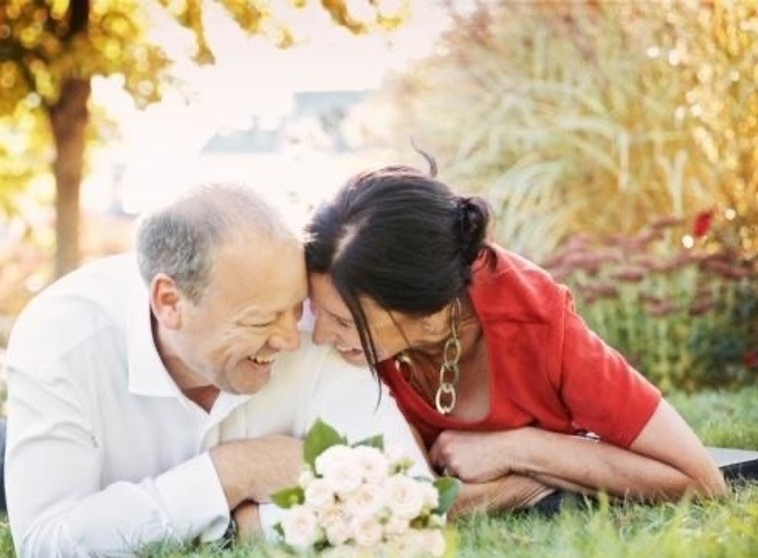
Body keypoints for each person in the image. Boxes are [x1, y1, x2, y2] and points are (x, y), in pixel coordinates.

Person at [0, 183, 427, 556]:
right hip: (90, 472)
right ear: (170, 302)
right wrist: (232, 472)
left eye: (293, 309)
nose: (290, 337)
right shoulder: (63, 338)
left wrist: (253, 526)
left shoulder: (316, 328)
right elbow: (49, 540)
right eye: (261, 319)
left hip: (123, 501)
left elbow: (411, 498)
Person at [303, 162, 727, 515]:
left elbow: (702, 481)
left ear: (422, 303)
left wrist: (519, 450)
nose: (320, 335)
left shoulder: (534, 321)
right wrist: (520, 489)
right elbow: (425, 501)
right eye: (319, 312)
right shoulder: (349, 333)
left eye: (343, 321)